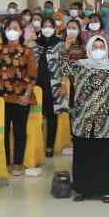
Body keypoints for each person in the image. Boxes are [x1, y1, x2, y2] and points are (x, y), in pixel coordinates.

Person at [62, 36, 109, 202]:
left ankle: (104, 190)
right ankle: (82, 190)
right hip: (83, 120)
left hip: (106, 121)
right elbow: (62, 69)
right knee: (83, 156)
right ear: (89, 49)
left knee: (105, 157)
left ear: (106, 49)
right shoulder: (79, 66)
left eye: (101, 46)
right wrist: (66, 47)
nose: (98, 49)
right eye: (95, 46)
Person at [0, 17, 38, 176]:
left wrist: (27, 94)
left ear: (21, 31)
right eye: (9, 28)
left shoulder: (28, 51)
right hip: (2, 97)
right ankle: (4, 161)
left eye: (16, 28)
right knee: (3, 131)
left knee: (19, 131)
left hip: (21, 97)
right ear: (5, 31)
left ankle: (18, 163)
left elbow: (33, 75)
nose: (12, 31)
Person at [35, 15, 67, 156]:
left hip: (53, 84)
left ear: (54, 28)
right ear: (41, 28)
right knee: (37, 116)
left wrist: (64, 83)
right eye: (44, 25)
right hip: (37, 85)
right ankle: (39, 146)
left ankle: (49, 146)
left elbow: (65, 65)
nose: (47, 28)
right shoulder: (35, 44)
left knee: (52, 116)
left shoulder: (60, 44)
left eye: (50, 26)